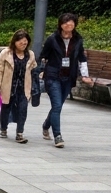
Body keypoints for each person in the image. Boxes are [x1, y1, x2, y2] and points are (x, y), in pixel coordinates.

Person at [37, 13, 88, 149]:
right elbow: (43, 56)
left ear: (75, 24)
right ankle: (57, 135)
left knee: (57, 106)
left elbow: (82, 58)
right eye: (65, 22)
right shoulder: (52, 39)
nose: (68, 24)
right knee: (57, 105)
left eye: (71, 22)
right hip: (53, 76)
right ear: (60, 24)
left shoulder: (78, 39)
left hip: (69, 77)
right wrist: (41, 70)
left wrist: (85, 75)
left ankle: (46, 125)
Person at [0, 30, 37, 143]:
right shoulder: (6, 53)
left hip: (24, 88)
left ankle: (20, 133)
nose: (23, 44)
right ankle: (3, 128)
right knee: (6, 108)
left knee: (23, 109)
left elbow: (33, 70)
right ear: (15, 42)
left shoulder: (30, 55)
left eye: (25, 42)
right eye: (20, 42)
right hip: (8, 87)